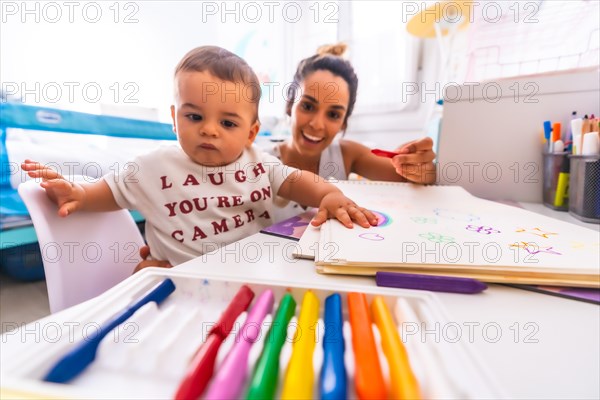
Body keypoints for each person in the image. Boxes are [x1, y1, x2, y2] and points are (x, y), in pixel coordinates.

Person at [22, 46, 377, 272]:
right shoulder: (150, 166)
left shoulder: (258, 162)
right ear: (175, 119)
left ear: (251, 133)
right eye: (194, 117)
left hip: (248, 274)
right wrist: (77, 194)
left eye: (227, 122)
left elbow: (297, 181)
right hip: (181, 279)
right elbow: (107, 192)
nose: (209, 130)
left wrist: (328, 195)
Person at [269, 43, 436, 183]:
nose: (317, 124)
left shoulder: (347, 155)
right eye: (307, 106)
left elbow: (412, 176)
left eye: (333, 115)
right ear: (290, 104)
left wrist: (419, 168)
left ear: (343, 122)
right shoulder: (259, 162)